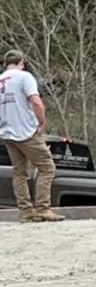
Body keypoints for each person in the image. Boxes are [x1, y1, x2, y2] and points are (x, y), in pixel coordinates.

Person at [0, 50, 61, 223]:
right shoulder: (24, 77)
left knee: (19, 172)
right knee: (47, 167)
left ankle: (25, 211)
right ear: (22, 62)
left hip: (7, 132)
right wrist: (41, 122)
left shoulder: (1, 80)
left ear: (5, 63)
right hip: (25, 131)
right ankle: (42, 208)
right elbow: (35, 100)